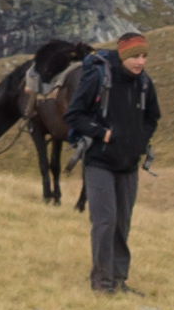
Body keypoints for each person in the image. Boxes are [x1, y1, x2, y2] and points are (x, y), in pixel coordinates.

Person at [68, 28, 162, 294]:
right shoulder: (99, 78)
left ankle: (119, 280)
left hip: (128, 165)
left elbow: (152, 118)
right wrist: (104, 134)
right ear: (123, 56)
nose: (140, 62)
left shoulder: (144, 84)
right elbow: (74, 115)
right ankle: (102, 282)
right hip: (99, 162)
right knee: (105, 221)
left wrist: (138, 142)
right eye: (135, 56)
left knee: (122, 223)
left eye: (144, 56)